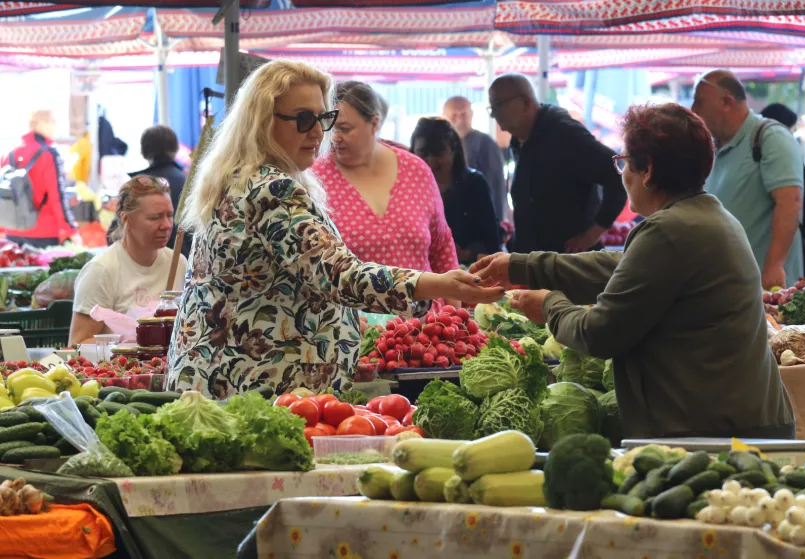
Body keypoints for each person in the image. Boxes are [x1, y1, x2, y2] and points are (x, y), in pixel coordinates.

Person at [170, 61, 502, 398]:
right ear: (262, 121)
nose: (318, 133)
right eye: (303, 119)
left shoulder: (243, 177)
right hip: (250, 386)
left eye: (322, 118)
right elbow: (339, 276)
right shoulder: (271, 189)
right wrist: (435, 283)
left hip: (225, 380)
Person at [470, 103, 794, 440]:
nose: (622, 173)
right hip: (739, 420)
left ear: (648, 170)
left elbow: (600, 333)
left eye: (624, 162)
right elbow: (622, 267)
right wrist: (524, 266)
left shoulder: (669, 230)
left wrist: (550, 305)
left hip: (716, 430)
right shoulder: (711, 216)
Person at [311, 81, 460, 278]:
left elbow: (441, 246)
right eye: (330, 128)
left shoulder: (415, 170)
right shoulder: (315, 177)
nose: (335, 137)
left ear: (374, 124)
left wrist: (454, 301)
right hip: (351, 308)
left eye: (344, 128)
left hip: (425, 307)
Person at [488, 74, 626, 254]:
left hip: (567, 264)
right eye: (491, 107)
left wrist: (593, 234)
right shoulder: (520, 139)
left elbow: (617, 174)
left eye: (498, 105)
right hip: (535, 261)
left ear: (526, 103)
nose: (493, 113)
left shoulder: (564, 134)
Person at [692, 70, 804, 289]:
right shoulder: (717, 147)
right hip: (727, 285)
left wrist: (773, 266)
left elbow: (791, 202)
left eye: (699, 102)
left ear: (726, 101)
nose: (694, 110)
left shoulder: (770, 137)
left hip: (765, 289)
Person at [70, 176, 187, 345]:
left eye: (169, 215)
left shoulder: (178, 263)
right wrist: (128, 346)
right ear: (126, 219)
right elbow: (77, 343)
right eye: (155, 217)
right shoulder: (101, 270)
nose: (166, 225)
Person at [410, 117, 501, 264]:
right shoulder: (407, 187)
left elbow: (491, 241)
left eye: (438, 153)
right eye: (423, 152)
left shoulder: (474, 184)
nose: (431, 161)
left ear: (454, 151)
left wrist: (465, 253)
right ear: (412, 153)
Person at [0, 110, 77, 248]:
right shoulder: (49, 153)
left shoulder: (9, 152)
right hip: (44, 233)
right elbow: (57, 196)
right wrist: (70, 229)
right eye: (53, 121)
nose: (55, 126)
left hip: (12, 230)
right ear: (40, 124)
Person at [128, 125, 191, 259]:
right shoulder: (190, 184)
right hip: (187, 266)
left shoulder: (136, 187)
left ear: (144, 151)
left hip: (145, 266)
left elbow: (117, 233)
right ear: (175, 149)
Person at [442, 96, 508, 220]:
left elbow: (495, 185)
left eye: (463, 115)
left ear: (471, 115)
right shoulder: (441, 145)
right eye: (454, 116)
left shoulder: (485, 143)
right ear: (444, 116)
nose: (459, 120)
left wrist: (497, 220)